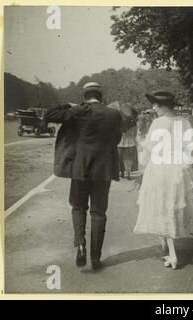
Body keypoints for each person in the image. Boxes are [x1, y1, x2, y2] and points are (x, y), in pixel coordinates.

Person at [44, 82, 122, 270]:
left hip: (80, 169)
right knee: (99, 212)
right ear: (100, 96)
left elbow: (48, 115)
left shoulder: (78, 111)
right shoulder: (113, 114)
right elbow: (117, 138)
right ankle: (96, 257)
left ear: (85, 96)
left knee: (78, 207)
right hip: (103, 170)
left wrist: (69, 106)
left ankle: (80, 244)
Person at [133, 91, 193, 270]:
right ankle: (165, 243)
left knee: (162, 206)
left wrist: (141, 148)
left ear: (163, 106)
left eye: (155, 105)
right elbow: (192, 148)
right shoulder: (184, 122)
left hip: (160, 169)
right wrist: (184, 164)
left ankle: (172, 253)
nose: (153, 108)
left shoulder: (157, 123)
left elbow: (149, 149)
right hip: (177, 169)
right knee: (171, 205)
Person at [118, 103, 139, 180]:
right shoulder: (134, 124)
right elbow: (135, 134)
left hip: (120, 143)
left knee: (120, 159)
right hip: (131, 143)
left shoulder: (119, 123)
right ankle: (129, 173)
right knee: (129, 159)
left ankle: (122, 173)